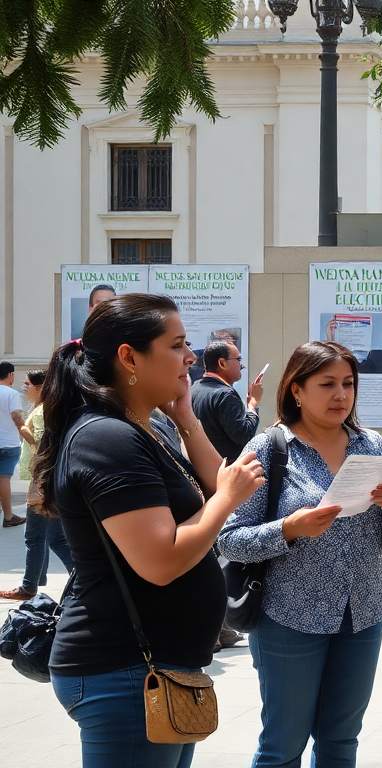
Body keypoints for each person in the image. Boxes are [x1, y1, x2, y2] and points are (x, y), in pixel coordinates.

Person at [35, 293, 264, 767]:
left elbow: (207, 484)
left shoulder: (142, 426)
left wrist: (186, 421)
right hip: (125, 670)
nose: (191, 357)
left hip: (157, 667)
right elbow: (161, 561)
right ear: (128, 357)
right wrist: (226, 500)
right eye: (177, 345)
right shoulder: (107, 438)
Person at [217, 341, 382, 767]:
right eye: (327, 384)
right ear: (296, 391)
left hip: (363, 612)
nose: (341, 395)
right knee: (282, 746)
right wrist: (290, 528)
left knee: (341, 741)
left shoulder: (372, 445)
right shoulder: (268, 449)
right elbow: (229, 539)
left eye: (348, 383)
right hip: (290, 617)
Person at [0, 370, 75, 601]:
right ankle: (34, 582)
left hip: (44, 482)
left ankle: (79, 578)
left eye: (27, 384)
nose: (24, 389)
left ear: (40, 387)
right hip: (47, 481)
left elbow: (43, 446)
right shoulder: (47, 408)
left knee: (40, 537)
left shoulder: (43, 411)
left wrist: (23, 428)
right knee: (47, 537)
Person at [191, 341, 265, 463]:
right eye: (238, 360)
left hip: (201, 467)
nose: (242, 366)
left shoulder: (195, 388)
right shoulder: (225, 395)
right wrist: (252, 404)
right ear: (222, 363)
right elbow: (244, 436)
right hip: (225, 470)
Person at [0, 361, 25, 527]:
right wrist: (24, 431)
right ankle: (9, 517)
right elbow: (16, 416)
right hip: (8, 444)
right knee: (4, 479)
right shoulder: (11, 393)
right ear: (11, 375)